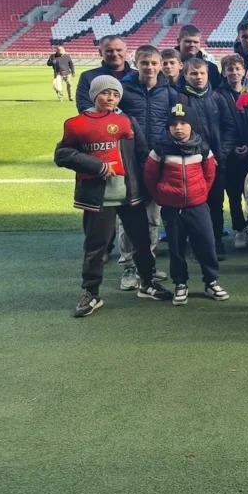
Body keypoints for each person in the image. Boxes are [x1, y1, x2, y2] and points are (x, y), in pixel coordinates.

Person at [55, 75, 172, 317]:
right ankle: (91, 293)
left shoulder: (127, 121)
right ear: (94, 95)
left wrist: (150, 185)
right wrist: (95, 166)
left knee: (142, 242)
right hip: (97, 197)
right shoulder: (76, 123)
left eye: (116, 94)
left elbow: (142, 154)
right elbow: (62, 154)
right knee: (95, 246)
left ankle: (147, 282)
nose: (111, 98)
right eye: (106, 93)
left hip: (130, 194)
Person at [144, 102, 228, 307]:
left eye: (183, 123)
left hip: (198, 207)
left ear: (191, 125)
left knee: (206, 245)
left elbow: (209, 174)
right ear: (168, 127)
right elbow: (149, 176)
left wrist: (199, 194)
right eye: (174, 124)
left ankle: (211, 281)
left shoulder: (203, 148)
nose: (178, 128)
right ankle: (180, 284)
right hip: (172, 210)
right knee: (176, 248)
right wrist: (163, 197)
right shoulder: (160, 149)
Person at [117, 44, 176, 289]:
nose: (150, 67)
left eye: (154, 63)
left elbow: (173, 124)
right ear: (136, 63)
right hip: (130, 162)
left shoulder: (169, 92)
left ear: (161, 65)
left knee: (153, 216)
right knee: (129, 217)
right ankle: (129, 266)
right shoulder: (125, 90)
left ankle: (148, 265)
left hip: (157, 161)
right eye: (145, 63)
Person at [178, 57, 235, 259]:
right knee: (194, 204)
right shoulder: (181, 99)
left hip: (218, 162)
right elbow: (179, 131)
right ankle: (196, 243)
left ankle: (216, 241)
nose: (198, 77)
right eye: (193, 73)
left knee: (216, 203)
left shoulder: (218, 97)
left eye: (202, 72)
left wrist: (222, 153)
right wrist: (197, 154)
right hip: (193, 162)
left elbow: (230, 128)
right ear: (185, 75)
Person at [215, 53, 248, 250]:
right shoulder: (217, 96)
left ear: (244, 71)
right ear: (224, 72)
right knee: (234, 194)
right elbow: (219, 126)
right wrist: (231, 148)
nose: (234, 72)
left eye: (237, 68)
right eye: (230, 69)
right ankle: (239, 229)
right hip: (230, 155)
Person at [75, 36, 137, 113]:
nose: (115, 54)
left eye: (119, 50)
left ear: (126, 51)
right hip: (100, 124)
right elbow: (84, 106)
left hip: (132, 124)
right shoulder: (88, 77)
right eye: (109, 51)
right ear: (100, 52)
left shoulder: (138, 77)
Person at [176, 25, 221, 89]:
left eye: (195, 42)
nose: (192, 45)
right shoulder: (168, 65)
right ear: (178, 41)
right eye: (188, 41)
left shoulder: (211, 68)